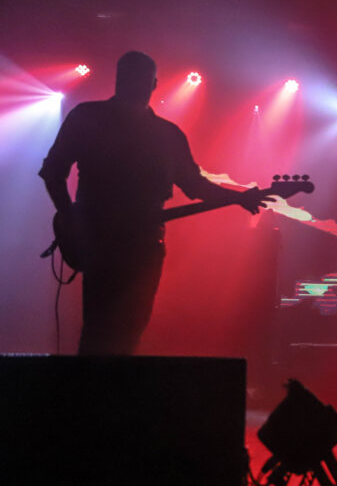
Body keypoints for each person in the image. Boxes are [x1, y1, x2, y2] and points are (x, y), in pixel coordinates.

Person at [39, 50, 267, 355]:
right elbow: (53, 172)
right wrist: (71, 221)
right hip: (107, 244)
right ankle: (95, 395)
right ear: (153, 83)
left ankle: (99, 396)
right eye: (132, 78)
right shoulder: (99, 120)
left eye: (140, 79)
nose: (137, 85)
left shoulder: (155, 132)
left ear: (152, 83)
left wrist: (238, 197)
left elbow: (195, 186)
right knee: (104, 329)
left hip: (139, 245)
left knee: (127, 328)